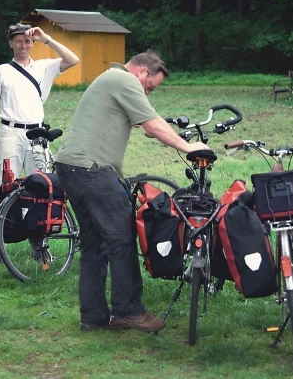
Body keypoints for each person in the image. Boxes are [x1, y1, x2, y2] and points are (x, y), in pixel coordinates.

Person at [54, 51, 209, 333]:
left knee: (94, 244)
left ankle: (93, 316)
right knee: (122, 236)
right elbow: (151, 123)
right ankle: (128, 310)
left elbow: (149, 125)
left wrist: (169, 131)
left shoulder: (110, 79)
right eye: (150, 87)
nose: (148, 93)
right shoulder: (124, 81)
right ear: (142, 73)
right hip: (92, 169)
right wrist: (190, 148)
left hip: (70, 166)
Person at [0, 23, 79, 264]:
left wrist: (46, 39)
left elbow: (73, 59)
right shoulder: (1, 71)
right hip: (10, 134)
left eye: (27, 41)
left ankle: (40, 245)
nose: (23, 45)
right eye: (18, 41)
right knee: (3, 188)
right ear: (11, 43)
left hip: (37, 135)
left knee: (43, 190)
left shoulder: (44, 67)